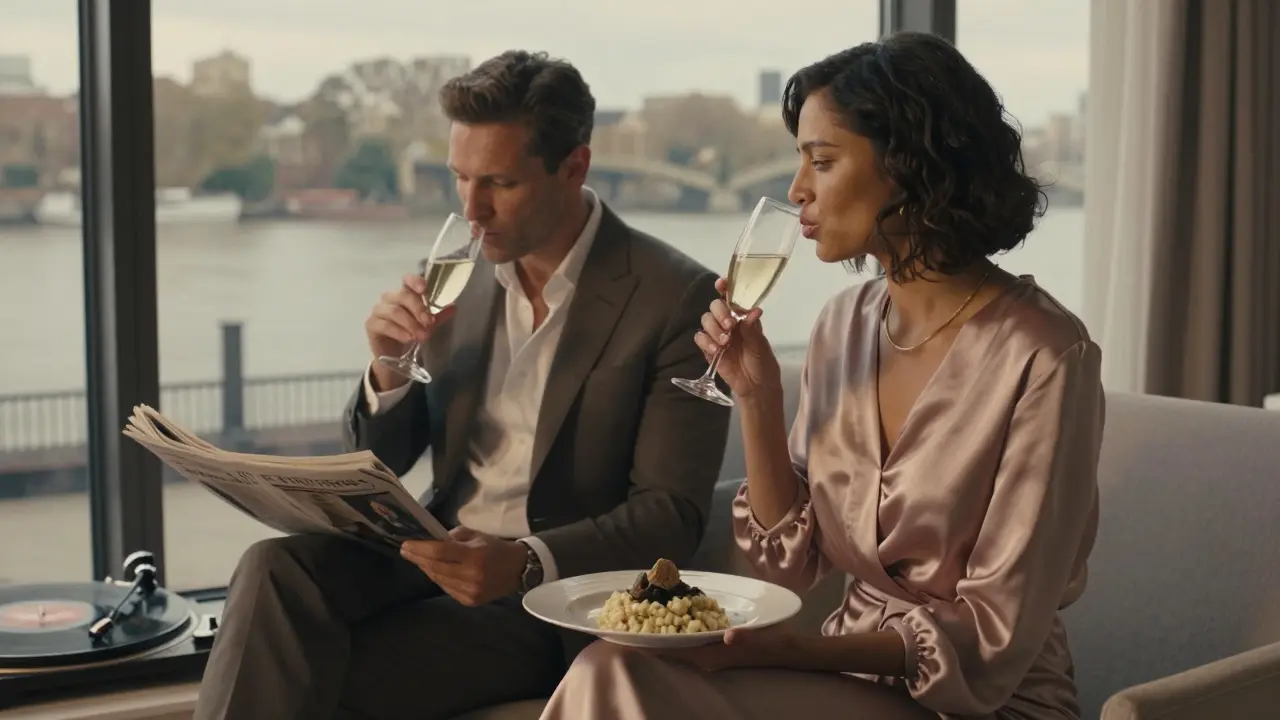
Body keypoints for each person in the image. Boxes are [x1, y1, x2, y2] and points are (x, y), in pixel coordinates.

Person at [539, 31, 1105, 720]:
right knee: (613, 665)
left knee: (619, 679)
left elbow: (996, 631)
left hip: (983, 703)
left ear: (911, 166)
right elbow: (788, 563)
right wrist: (757, 398)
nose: (796, 189)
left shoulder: (1045, 355)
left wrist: (786, 652)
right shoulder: (845, 324)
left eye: (823, 161)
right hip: (845, 681)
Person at [193, 50, 732, 720]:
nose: (472, 211)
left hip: (553, 601)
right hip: (432, 550)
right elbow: (384, 457)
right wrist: (389, 369)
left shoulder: (676, 298)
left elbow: (671, 515)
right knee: (273, 569)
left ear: (574, 167)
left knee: (320, 665)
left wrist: (524, 561)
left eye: (499, 183)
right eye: (460, 178)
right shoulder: (455, 271)